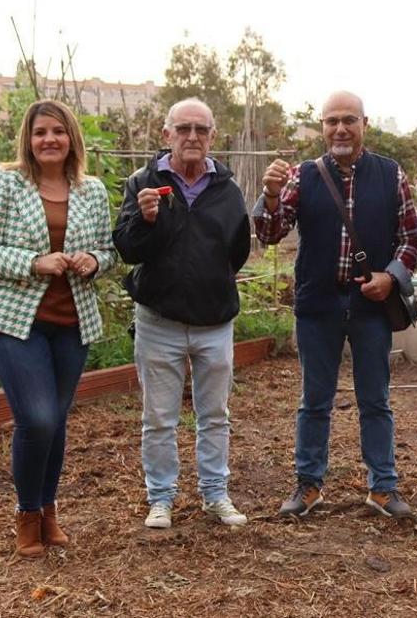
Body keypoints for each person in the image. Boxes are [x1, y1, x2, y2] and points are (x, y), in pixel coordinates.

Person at [255, 91, 417, 519]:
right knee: (314, 400)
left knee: (375, 400)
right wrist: (270, 196)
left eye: (349, 120)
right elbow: (270, 233)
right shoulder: (302, 175)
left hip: (371, 307)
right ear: (323, 127)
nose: (341, 129)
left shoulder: (391, 174)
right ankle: (308, 485)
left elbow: (410, 239)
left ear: (365, 123)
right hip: (318, 304)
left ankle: (383, 488)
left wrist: (390, 277)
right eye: (332, 121)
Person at [0, 99, 117, 557]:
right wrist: (34, 262)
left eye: (57, 131)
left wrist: (93, 261)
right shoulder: (7, 182)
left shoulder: (92, 190)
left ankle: (49, 512)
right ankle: (27, 514)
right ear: (28, 141)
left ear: (72, 137)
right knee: (37, 418)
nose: (49, 139)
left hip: (72, 324)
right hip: (15, 323)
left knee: (56, 419)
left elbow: (109, 251)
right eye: (40, 132)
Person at [113, 97, 251, 529]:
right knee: (159, 418)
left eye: (201, 130)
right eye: (184, 129)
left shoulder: (227, 190)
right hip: (159, 321)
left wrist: (212, 282)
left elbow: (238, 250)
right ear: (166, 134)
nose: (193, 137)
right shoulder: (143, 183)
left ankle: (215, 494)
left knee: (215, 415)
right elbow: (127, 248)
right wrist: (146, 220)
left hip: (215, 322)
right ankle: (161, 498)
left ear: (212, 136)